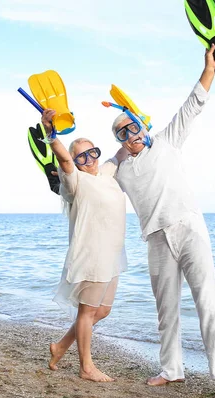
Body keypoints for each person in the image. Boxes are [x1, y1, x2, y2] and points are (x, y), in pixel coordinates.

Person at [110, 44, 215, 398]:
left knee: (207, 299)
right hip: (155, 238)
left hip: (187, 227)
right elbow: (89, 177)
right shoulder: (119, 169)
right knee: (166, 310)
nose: (130, 135)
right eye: (121, 133)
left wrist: (210, 67)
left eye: (131, 127)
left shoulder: (167, 140)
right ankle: (171, 370)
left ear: (141, 123)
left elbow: (193, 104)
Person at [41, 109, 128, 382]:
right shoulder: (74, 182)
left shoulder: (106, 172)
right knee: (87, 312)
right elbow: (64, 161)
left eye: (93, 153)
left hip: (112, 254)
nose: (89, 159)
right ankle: (86, 367)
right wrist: (51, 135)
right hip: (92, 255)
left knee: (102, 310)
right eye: (82, 156)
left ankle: (61, 346)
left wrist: (133, 120)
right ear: (76, 161)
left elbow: (124, 149)